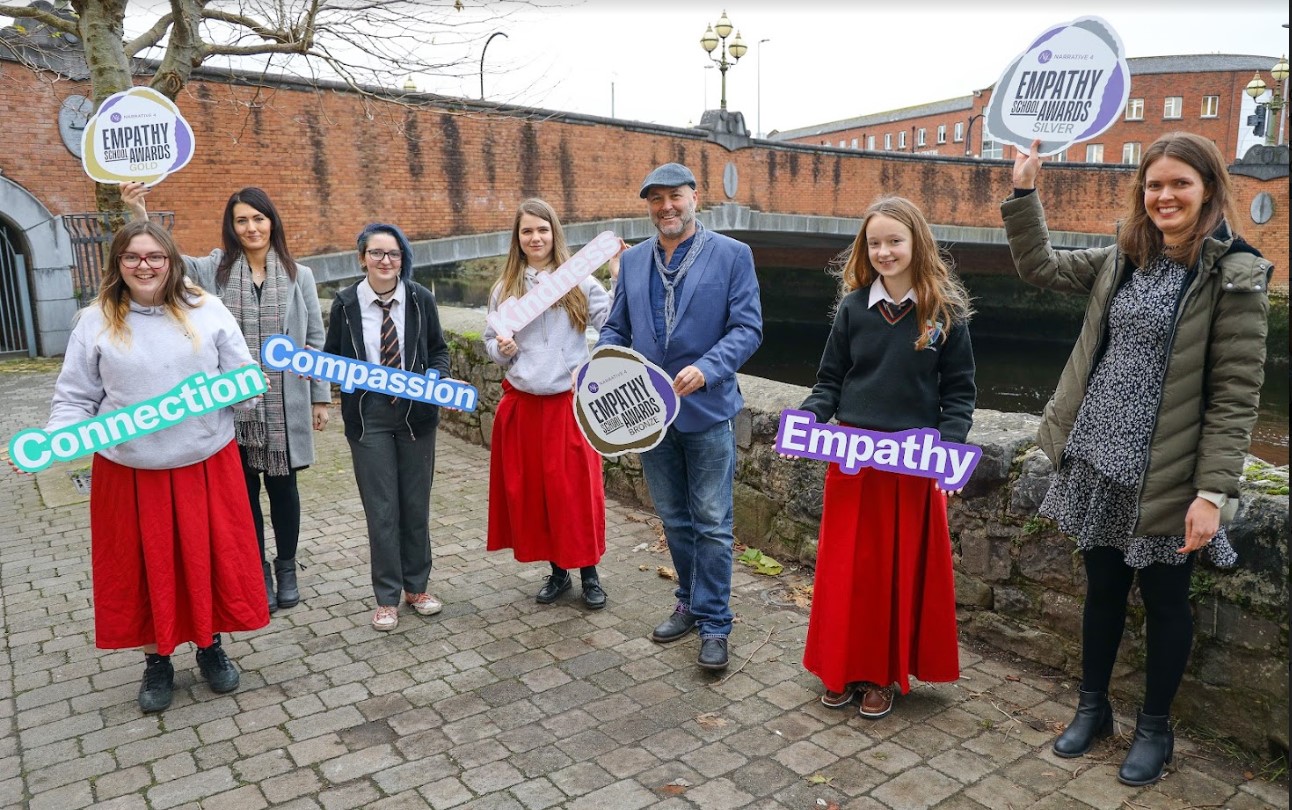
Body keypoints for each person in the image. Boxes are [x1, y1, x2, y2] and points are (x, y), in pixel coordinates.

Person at [1002, 134, 1270, 786]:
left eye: (1180, 183)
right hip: (1097, 454)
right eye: (1154, 185)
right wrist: (1024, 192)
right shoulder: (1126, 257)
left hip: (1167, 470)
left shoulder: (1233, 272)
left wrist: (1212, 491)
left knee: (1166, 601)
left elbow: (1236, 396)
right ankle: (1093, 709)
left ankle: (1156, 728)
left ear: (1208, 188)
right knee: (1103, 589)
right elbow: (1039, 267)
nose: (1165, 196)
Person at [41, 221, 269, 712]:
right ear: (118, 264)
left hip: (204, 462)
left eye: (154, 257)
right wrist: (55, 440)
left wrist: (246, 391)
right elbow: (75, 396)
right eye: (132, 257)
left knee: (206, 559)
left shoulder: (207, 310)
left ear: (171, 261)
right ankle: (157, 661)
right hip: (130, 472)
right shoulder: (94, 320)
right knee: (145, 569)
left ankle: (210, 648)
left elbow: (243, 374)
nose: (144, 266)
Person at [797, 196, 975, 720]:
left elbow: (960, 393)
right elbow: (830, 381)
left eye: (894, 240)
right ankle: (842, 667)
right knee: (848, 570)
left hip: (911, 464)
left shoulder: (944, 312)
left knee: (893, 573)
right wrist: (810, 416)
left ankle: (883, 674)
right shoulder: (854, 308)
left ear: (917, 242)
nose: (884, 251)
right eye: (874, 243)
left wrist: (949, 446)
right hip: (853, 459)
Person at [121, 183, 330, 615]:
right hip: (230, 403)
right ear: (231, 227)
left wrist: (319, 398)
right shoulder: (214, 270)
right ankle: (257, 570)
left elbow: (314, 341)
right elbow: (164, 261)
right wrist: (137, 212)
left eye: (258, 218)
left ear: (272, 221)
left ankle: (287, 565)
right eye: (242, 220)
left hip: (283, 403)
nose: (251, 227)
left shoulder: (299, 275)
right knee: (243, 492)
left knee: (284, 488)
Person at [597, 162, 763, 671]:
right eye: (656, 199)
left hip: (708, 410)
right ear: (648, 206)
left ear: (695, 197)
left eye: (675, 196)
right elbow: (615, 327)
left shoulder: (734, 255)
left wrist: (707, 368)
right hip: (648, 416)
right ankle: (690, 601)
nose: (666, 206)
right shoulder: (636, 261)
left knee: (712, 522)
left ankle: (716, 622)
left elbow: (747, 329)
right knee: (673, 517)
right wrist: (604, 367)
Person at [323, 223, 450, 632]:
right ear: (362, 257)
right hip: (369, 416)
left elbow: (439, 352)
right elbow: (332, 358)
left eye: (393, 254)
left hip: (416, 415)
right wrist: (326, 378)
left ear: (402, 259)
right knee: (381, 508)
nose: (385, 261)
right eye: (377, 253)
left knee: (414, 504)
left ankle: (417, 588)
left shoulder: (420, 299)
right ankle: (386, 598)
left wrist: (436, 377)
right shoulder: (344, 304)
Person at [484, 200, 611, 607]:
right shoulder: (505, 289)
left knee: (575, 492)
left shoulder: (580, 280)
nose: (535, 238)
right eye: (527, 232)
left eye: (542, 229)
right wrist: (502, 348)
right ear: (517, 239)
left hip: (569, 405)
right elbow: (492, 343)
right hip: (525, 403)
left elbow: (609, 325)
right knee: (538, 494)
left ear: (554, 233)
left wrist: (618, 279)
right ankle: (558, 573)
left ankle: (589, 574)